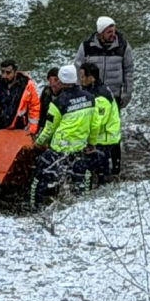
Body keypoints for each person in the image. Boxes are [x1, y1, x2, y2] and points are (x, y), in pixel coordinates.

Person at [30, 65, 99, 208]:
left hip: (59, 149)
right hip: (80, 148)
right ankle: (83, 206)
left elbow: (49, 129)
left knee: (40, 176)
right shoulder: (91, 98)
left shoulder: (57, 103)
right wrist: (91, 143)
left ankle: (35, 207)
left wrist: (38, 143)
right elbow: (95, 125)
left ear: (61, 81)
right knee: (81, 179)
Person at [0, 60, 41, 197]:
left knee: (20, 160)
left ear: (15, 72)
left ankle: (18, 187)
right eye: (2, 72)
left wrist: (32, 129)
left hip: (19, 128)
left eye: (8, 72)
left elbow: (35, 107)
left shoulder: (27, 85)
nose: (4, 75)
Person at [74, 16, 134, 109]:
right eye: (109, 32)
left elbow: (128, 71)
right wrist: (79, 91)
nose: (113, 34)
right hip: (92, 95)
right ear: (100, 33)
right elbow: (77, 69)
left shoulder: (123, 46)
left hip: (114, 96)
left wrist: (127, 94)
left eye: (114, 31)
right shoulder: (87, 47)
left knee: (112, 123)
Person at [81, 61, 121, 181]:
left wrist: (90, 142)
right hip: (102, 139)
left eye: (83, 76)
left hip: (106, 140)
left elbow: (97, 123)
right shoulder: (95, 90)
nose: (81, 79)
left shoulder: (101, 97)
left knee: (104, 175)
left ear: (91, 78)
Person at [36, 67, 59, 137]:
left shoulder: (65, 94)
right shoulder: (46, 92)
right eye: (51, 80)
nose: (54, 83)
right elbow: (41, 111)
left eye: (56, 80)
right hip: (46, 123)